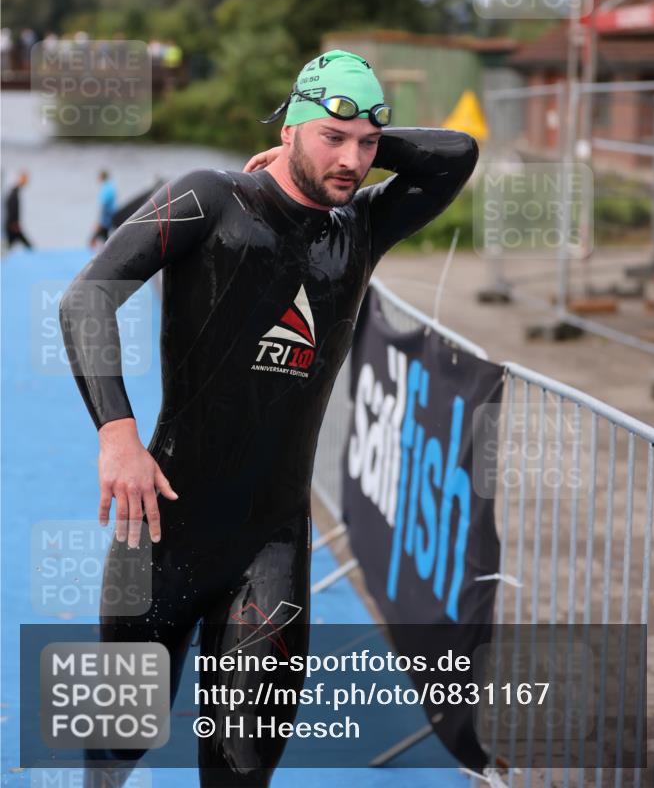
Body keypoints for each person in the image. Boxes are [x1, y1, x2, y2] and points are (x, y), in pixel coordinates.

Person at [58, 49, 479, 787]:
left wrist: (354, 129)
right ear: (288, 124)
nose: (353, 160)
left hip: (270, 548)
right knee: (115, 744)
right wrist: (118, 437)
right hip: (163, 528)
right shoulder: (209, 199)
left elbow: (457, 155)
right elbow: (86, 298)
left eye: (368, 145)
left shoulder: (362, 228)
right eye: (332, 138)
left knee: (242, 766)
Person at [4, 171, 33, 249]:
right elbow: (11, 208)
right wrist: (14, 223)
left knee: (8, 248)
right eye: (25, 179)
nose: (26, 182)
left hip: (11, 225)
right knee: (29, 247)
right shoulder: (13, 194)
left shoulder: (14, 192)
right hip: (12, 226)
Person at [89, 170, 117, 247]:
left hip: (106, 217)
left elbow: (104, 206)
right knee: (104, 237)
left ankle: (106, 252)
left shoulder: (105, 189)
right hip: (111, 215)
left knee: (95, 238)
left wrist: (99, 222)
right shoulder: (111, 186)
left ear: (101, 177)